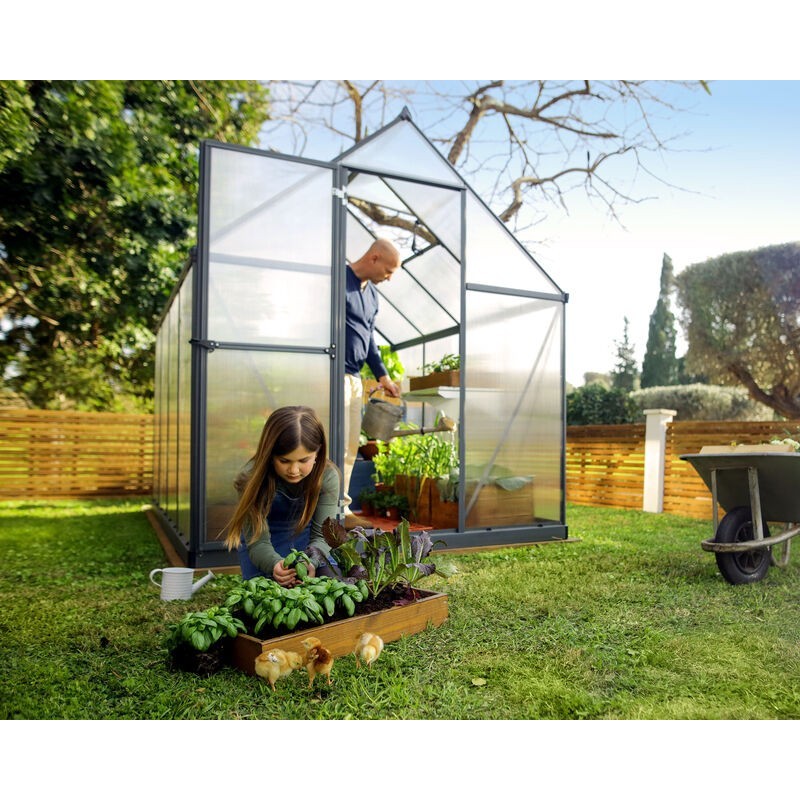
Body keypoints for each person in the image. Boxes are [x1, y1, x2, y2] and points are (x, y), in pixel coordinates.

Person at [224, 406, 340, 585]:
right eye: (284, 461)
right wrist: (275, 565)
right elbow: (258, 543)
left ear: (318, 452)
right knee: (271, 597)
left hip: (309, 547)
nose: (293, 470)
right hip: (263, 551)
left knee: (333, 586)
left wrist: (311, 561)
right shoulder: (251, 478)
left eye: (303, 460)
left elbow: (322, 536)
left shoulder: (327, 476)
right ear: (270, 454)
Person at [343, 238, 402, 527]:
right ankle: (320, 511)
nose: (389, 278)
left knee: (350, 446)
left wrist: (383, 376)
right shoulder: (338, 280)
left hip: (354, 378)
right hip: (331, 374)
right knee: (330, 444)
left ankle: (340, 510)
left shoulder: (372, 296)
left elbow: (368, 339)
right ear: (374, 258)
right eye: (389, 271)